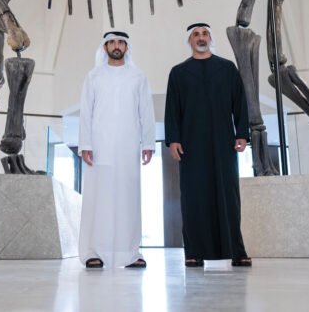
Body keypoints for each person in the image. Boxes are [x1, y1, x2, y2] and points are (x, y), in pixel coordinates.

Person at [164, 22, 251, 268]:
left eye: (204, 34)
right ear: (189, 41)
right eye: (196, 34)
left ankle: (236, 250)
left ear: (210, 38)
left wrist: (241, 132)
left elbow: (239, 102)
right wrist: (174, 139)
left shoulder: (227, 68)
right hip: (191, 145)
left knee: (228, 195)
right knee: (193, 197)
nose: (201, 37)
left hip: (223, 143)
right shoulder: (178, 73)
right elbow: (172, 110)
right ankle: (194, 252)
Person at [78, 30, 155, 269]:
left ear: (126, 47)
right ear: (105, 47)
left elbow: (146, 112)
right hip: (99, 148)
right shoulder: (94, 76)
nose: (116, 45)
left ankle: (130, 253)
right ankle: (93, 252)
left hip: (128, 147)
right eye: (111, 42)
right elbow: (85, 112)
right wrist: (85, 144)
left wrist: (149, 143)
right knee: (98, 198)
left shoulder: (138, 77)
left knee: (128, 199)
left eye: (121, 42)